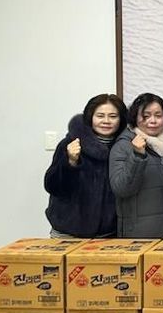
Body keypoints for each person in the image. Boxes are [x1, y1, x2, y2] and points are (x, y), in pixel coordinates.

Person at [44, 94, 127, 238]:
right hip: (68, 232)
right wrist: (71, 162)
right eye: (100, 116)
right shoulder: (71, 144)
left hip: (109, 235)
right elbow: (52, 186)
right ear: (90, 117)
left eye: (113, 116)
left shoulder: (124, 147)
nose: (106, 121)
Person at [109, 93, 163, 238]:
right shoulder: (123, 146)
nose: (152, 121)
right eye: (146, 116)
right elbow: (121, 189)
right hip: (139, 236)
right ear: (135, 118)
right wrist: (137, 156)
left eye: (158, 115)